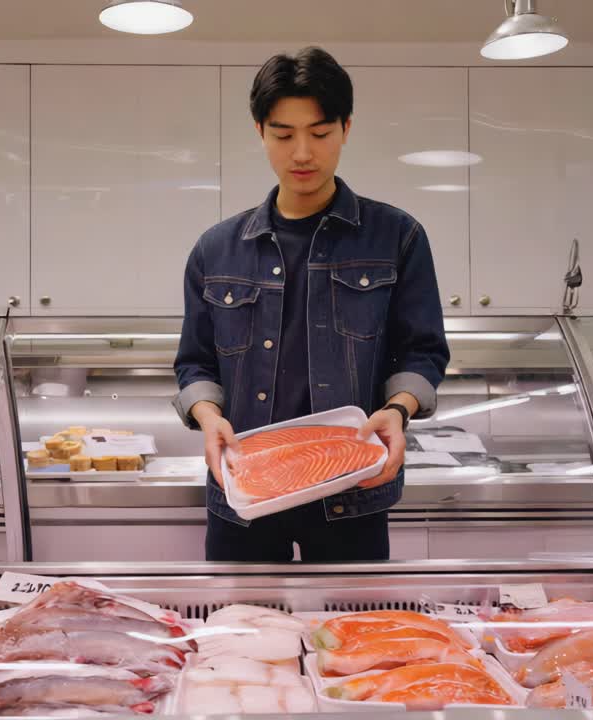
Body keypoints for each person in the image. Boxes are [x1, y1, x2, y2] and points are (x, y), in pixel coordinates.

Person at [172, 46, 450, 562]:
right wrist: (208, 416)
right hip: (244, 495)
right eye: (283, 134)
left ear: (346, 128)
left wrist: (397, 409)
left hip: (353, 491)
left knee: (351, 634)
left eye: (319, 133)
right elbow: (195, 362)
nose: (302, 153)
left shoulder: (397, 236)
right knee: (243, 636)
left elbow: (422, 352)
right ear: (260, 132)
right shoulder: (217, 248)